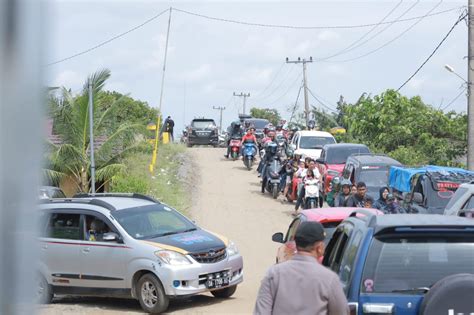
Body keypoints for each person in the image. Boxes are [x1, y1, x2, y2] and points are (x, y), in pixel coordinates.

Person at [254, 221, 349, 315]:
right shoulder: (329, 279)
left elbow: (261, 311)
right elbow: (341, 312)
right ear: (319, 247)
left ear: (296, 244)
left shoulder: (274, 274)